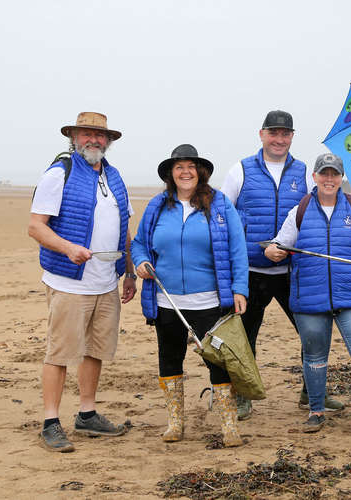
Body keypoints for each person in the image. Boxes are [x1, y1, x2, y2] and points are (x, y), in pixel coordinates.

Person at [220, 110, 344, 419]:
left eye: (285, 133)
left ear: (292, 137)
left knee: (311, 334)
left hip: (293, 272)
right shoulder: (240, 170)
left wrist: (290, 250)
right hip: (250, 272)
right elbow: (223, 219)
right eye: (273, 132)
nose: (279, 139)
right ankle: (243, 396)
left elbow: (316, 215)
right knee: (245, 338)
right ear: (261, 134)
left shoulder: (304, 172)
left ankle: (311, 392)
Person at [28, 112, 135, 452]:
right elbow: (36, 226)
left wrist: (130, 273)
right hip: (69, 282)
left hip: (106, 282)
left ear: (109, 141)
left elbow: (125, 229)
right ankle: (50, 422)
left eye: (100, 136)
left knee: (96, 350)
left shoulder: (114, 176)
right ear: (73, 137)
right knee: (60, 353)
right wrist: (68, 248)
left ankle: (87, 415)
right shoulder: (60, 173)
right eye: (87, 133)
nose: (94, 140)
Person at [264, 153, 351, 435]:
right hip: (310, 298)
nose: (329, 179)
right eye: (324, 173)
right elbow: (277, 246)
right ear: (315, 177)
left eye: (334, 174)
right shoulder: (299, 210)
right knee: (314, 357)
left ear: (341, 178)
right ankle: (316, 411)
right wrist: (273, 251)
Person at [131, 144, 248, 447]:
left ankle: (228, 426)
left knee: (218, 363)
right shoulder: (158, 206)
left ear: (200, 172)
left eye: (190, 166)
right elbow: (139, 243)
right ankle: (175, 424)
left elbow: (238, 249)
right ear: (171, 173)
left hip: (209, 301)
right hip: (166, 301)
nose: (185, 172)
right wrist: (141, 262)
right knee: (170, 359)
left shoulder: (220, 204)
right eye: (179, 167)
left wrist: (239, 289)